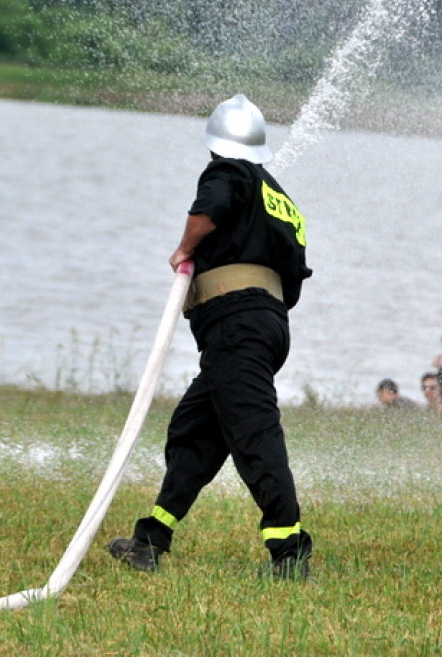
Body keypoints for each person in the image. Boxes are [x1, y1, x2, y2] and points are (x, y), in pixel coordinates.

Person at [108, 94, 314, 580]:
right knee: (193, 432)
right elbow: (295, 273)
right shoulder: (278, 197)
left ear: (215, 143)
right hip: (265, 324)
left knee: (255, 435)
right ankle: (150, 540)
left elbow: (211, 208)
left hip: (237, 326)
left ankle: (290, 554)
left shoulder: (229, 171)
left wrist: (184, 249)